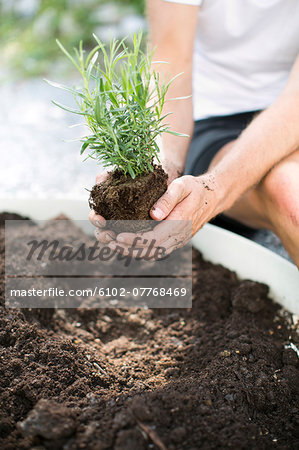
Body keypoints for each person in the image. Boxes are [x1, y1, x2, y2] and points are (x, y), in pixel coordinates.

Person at [90, 0, 299, 267]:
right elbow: (170, 72)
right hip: (217, 118)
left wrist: (213, 194)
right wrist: (160, 171)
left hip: (292, 113)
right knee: (289, 194)